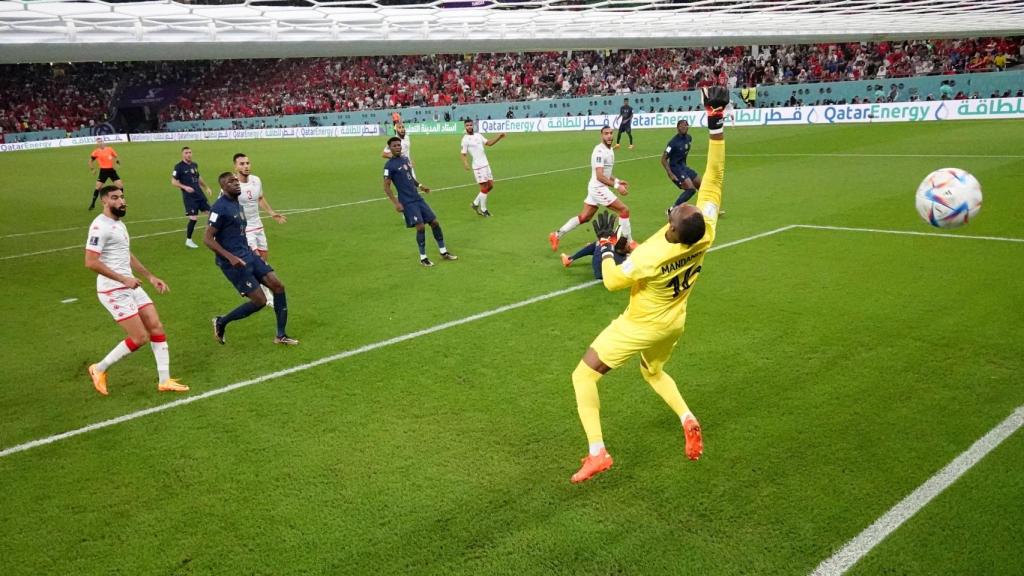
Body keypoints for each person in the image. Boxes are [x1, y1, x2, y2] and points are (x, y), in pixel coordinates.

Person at [567, 86, 730, 484]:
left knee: (583, 376)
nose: (675, 209)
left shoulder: (650, 257)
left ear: (674, 230)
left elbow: (611, 282)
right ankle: (687, 417)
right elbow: (715, 175)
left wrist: (606, 247)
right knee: (653, 372)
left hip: (640, 324)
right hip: (675, 321)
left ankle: (597, 452)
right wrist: (716, 121)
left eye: (675, 215)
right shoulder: (705, 230)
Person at [85, 185, 188, 395]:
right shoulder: (99, 227)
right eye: (115, 198)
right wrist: (123, 278)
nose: (121, 201)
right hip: (113, 290)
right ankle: (99, 368)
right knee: (140, 337)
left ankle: (165, 380)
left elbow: (126, 254)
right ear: (104, 201)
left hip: (130, 284)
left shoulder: (118, 223)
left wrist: (149, 276)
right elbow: (90, 262)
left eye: (122, 197)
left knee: (156, 326)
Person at [205, 172, 298, 346]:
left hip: (248, 254)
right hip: (233, 263)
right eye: (231, 182)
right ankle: (221, 321)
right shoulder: (219, 208)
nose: (236, 183)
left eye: (236, 180)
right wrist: (230, 257)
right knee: (260, 301)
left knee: (278, 286)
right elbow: (207, 239)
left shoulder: (237, 204)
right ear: (223, 187)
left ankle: (280, 335)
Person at [549, 126, 632, 251]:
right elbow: (600, 176)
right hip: (598, 187)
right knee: (624, 210)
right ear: (601, 135)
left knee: (584, 217)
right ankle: (628, 242)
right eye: (606, 133)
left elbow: (606, 173)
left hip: (596, 186)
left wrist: (617, 180)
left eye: (610, 133)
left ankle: (556, 235)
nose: (609, 136)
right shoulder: (599, 152)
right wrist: (617, 186)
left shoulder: (609, 150)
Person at [384, 137, 458, 267]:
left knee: (434, 222)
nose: (397, 147)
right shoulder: (389, 166)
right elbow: (386, 187)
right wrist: (396, 203)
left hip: (417, 197)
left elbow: (410, 177)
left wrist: (421, 186)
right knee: (421, 226)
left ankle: (443, 252)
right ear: (389, 148)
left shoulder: (405, 159)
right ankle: (423, 258)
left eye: (399, 145)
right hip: (406, 201)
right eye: (394, 146)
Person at [234, 152, 287, 305]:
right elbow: (223, 204)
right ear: (236, 167)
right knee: (256, 259)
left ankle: (258, 284)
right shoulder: (233, 184)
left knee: (263, 257)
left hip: (258, 224)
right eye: (242, 164)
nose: (246, 166)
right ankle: (263, 291)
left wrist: (271, 213)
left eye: (247, 163)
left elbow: (260, 198)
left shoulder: (256, 180)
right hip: (245, 228)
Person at [560, 212, 635, 279]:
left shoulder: (612, 250)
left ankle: (569, 259)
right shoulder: (630, 257)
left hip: (599, 272)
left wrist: (604, 243)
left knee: (598, 244)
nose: (630, 245)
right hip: (610, 273)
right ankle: (570, 259)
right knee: (601, 245)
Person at [460, 120, 506, 217]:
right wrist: (465, 163)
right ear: (465, 127)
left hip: (486, 164)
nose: (469, 127)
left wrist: (499, 137)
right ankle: (484, 209)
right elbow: (463, 153)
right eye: (467, 125)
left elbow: (488, 143)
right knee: (484, 188)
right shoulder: (465, 139)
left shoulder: (478, 135)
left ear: (473, 125)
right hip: (478, 167)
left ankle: (475, 203)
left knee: (491, 186)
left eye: (470, 125)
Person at [171, 146, 214, 249]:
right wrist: (184, 187)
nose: (189, 154)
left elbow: (198, 177)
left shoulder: (194, 165)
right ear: (182, 154)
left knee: (211, 215)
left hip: (199, 195)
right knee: (193, 219)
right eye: (186, 153)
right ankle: (189, 240)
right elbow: (173, 181)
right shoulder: (178, 167)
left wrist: (206, 187)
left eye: (190, 152)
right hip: (189, 197)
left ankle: (213, 236)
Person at [661, 120, 701, 207]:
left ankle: (707, 207)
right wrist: (670, 173)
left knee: (701, 185)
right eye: (682, 126)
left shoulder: (689, 138)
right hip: (675, 168)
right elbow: (663, 159)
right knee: (691, 189)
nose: (685, 127)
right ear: (678, 127)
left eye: (686, 125)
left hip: (683, 167)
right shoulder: (672, 143)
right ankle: (673, 209)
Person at [88, 138, 123, 211]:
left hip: (111, 170)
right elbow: (90, 161)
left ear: (103, 142)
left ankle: (121, 201)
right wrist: (92, 169)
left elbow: (116, 157)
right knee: (98, 187)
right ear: (97, 144)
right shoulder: (96, 152)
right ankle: (93, 204)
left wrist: (118, 164)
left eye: (101, 141)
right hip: (103, 171)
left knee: (120, 185)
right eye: (98, 142)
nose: (100, 143)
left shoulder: (110, 149)